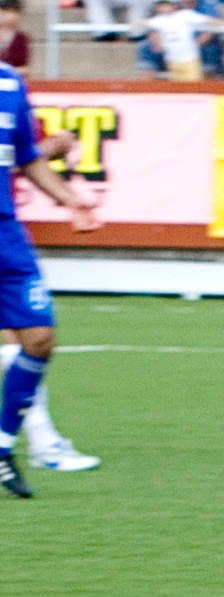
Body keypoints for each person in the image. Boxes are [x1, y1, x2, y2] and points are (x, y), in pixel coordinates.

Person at [0, 68, 100, 499]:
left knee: (39, 337)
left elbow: (27, 157)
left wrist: (70, 199)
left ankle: (3, 448)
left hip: (6, 235)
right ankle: (41, 442)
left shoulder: (10, 85)